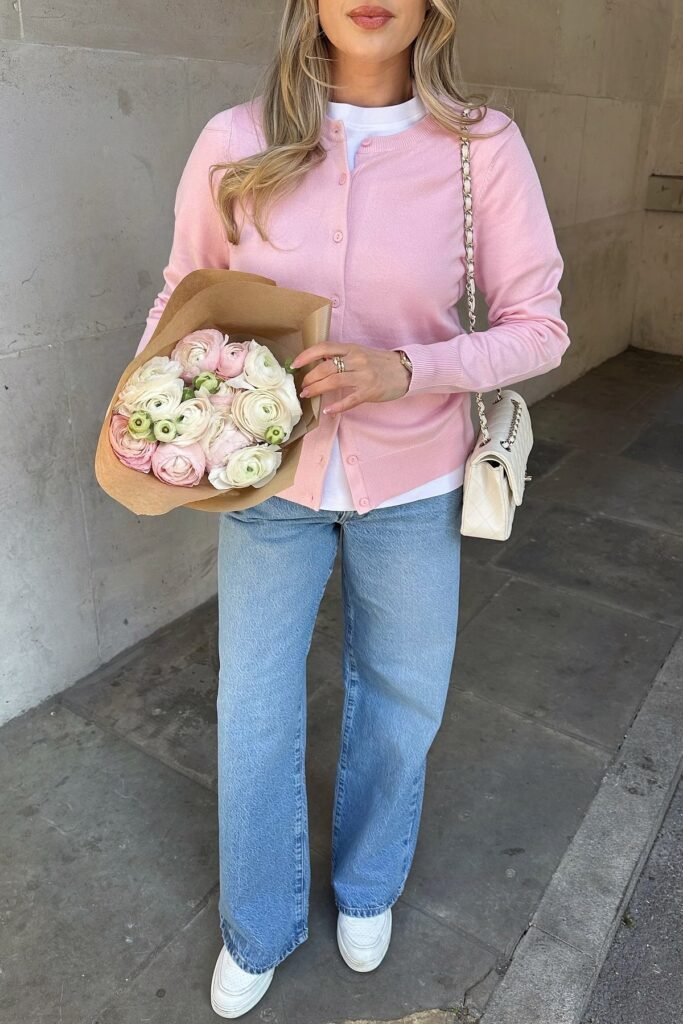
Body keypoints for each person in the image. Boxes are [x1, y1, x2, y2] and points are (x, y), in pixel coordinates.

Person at [136, 1, 570, 1017]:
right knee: (252, 711)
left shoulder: (481, 148)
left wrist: (404, 368)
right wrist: (163, 409)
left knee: (399, 701)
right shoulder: (235, 141)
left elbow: (538, 328)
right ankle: (259, 920)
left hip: (413, 482)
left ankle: (366, 884)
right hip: (265, 484)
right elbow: (182, 294)